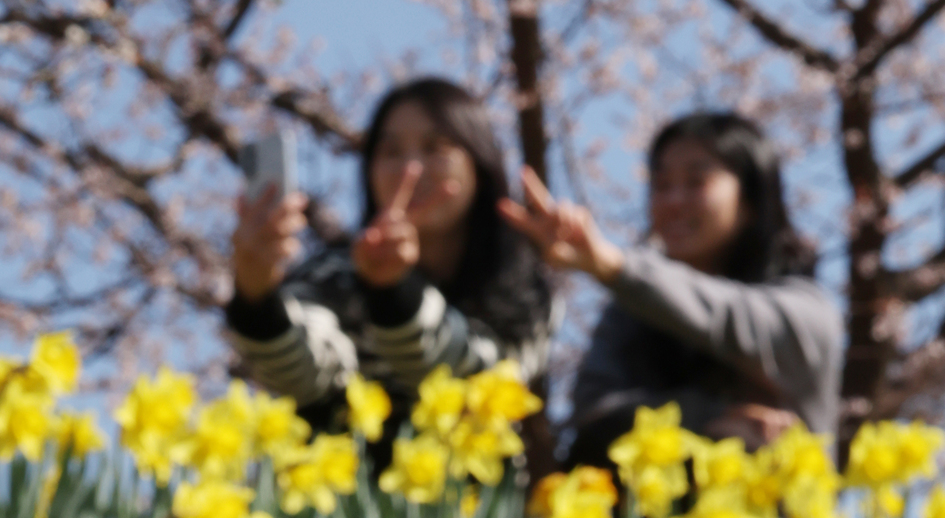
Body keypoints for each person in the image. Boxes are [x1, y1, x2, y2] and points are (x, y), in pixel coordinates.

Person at [499, 110, 841, 460]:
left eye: (696, 182)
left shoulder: (808, 310)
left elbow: (731, 318)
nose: (674, 201)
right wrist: (708, 418)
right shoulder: (630, 312)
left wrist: (616, 267)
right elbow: (593, 412)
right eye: (661, 185)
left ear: (752, 201)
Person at [225, 78, 555, 427]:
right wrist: (257, 294)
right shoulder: (334, 275)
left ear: (480, 162)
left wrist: (395, 293)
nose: (410, 168)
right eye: (390, 152)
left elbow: (480, 384)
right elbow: (302, 377)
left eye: (435, 147)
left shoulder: (521, 287)